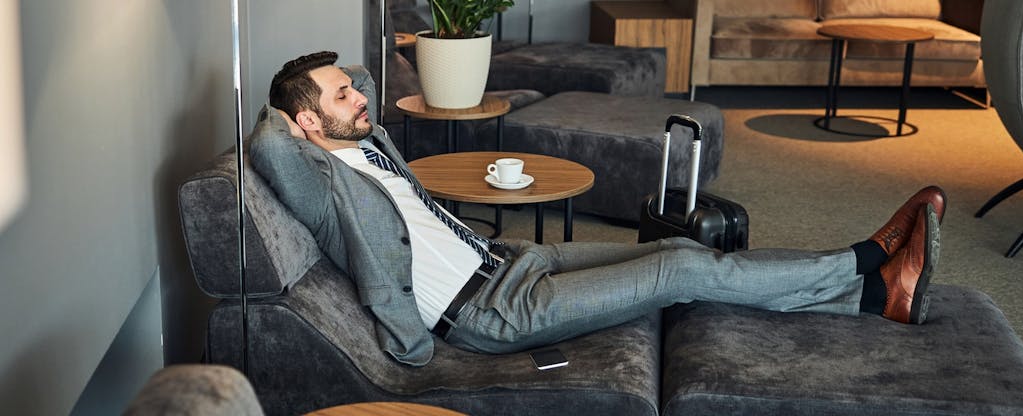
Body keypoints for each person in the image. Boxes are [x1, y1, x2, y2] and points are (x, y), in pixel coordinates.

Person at [250, 51, 946, 367]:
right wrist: (290, 110)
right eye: (341, 97)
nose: (361, 99)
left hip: (511, 264)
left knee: (685, 256)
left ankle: (873, 297)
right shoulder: (318, 183)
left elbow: (363, 82)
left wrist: (333, 93)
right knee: (678, 268)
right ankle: (868, 256)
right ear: (307, 124)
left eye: (351, 91)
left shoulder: (366, 145)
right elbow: (269, 147)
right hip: (491, 314)